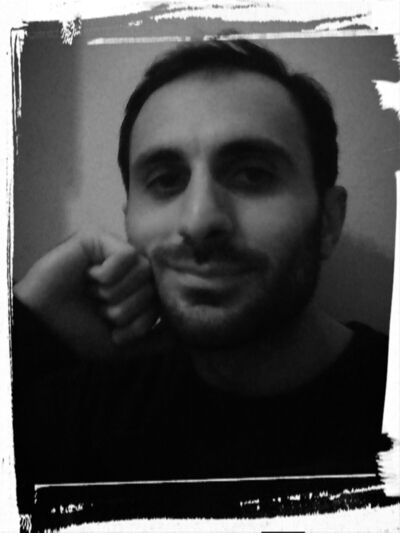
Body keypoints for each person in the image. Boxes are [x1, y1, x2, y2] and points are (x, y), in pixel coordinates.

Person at [12, 38, 388, 496]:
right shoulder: (76, 414)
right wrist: (27, 327)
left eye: (252, 174)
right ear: (129, 222)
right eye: (166, 180)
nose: (199, 220)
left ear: (328, 221)